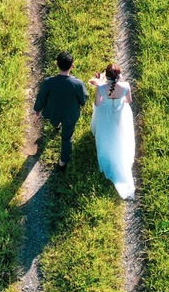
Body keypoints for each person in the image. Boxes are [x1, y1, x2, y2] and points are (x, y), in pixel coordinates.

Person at [34, 51, 87, 171]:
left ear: (57, 64)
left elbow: (41, 97)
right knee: (67, 138)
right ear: (72, 66)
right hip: (70, 115)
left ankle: (56, 126)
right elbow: (83, 100)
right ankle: (62, 162)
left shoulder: (48, 82)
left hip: (53, 111)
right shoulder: (78, 84)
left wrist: (37, 109)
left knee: (54, 121)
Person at [89, 63, 135, 199]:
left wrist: (100, 85)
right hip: (120, 112)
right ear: (118, 75)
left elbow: (97, 103)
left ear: (107, 76)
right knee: (121, 136)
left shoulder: (101, 88)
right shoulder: (126, 86)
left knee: (107, 136)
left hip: (105, 113)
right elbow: (129, 100)